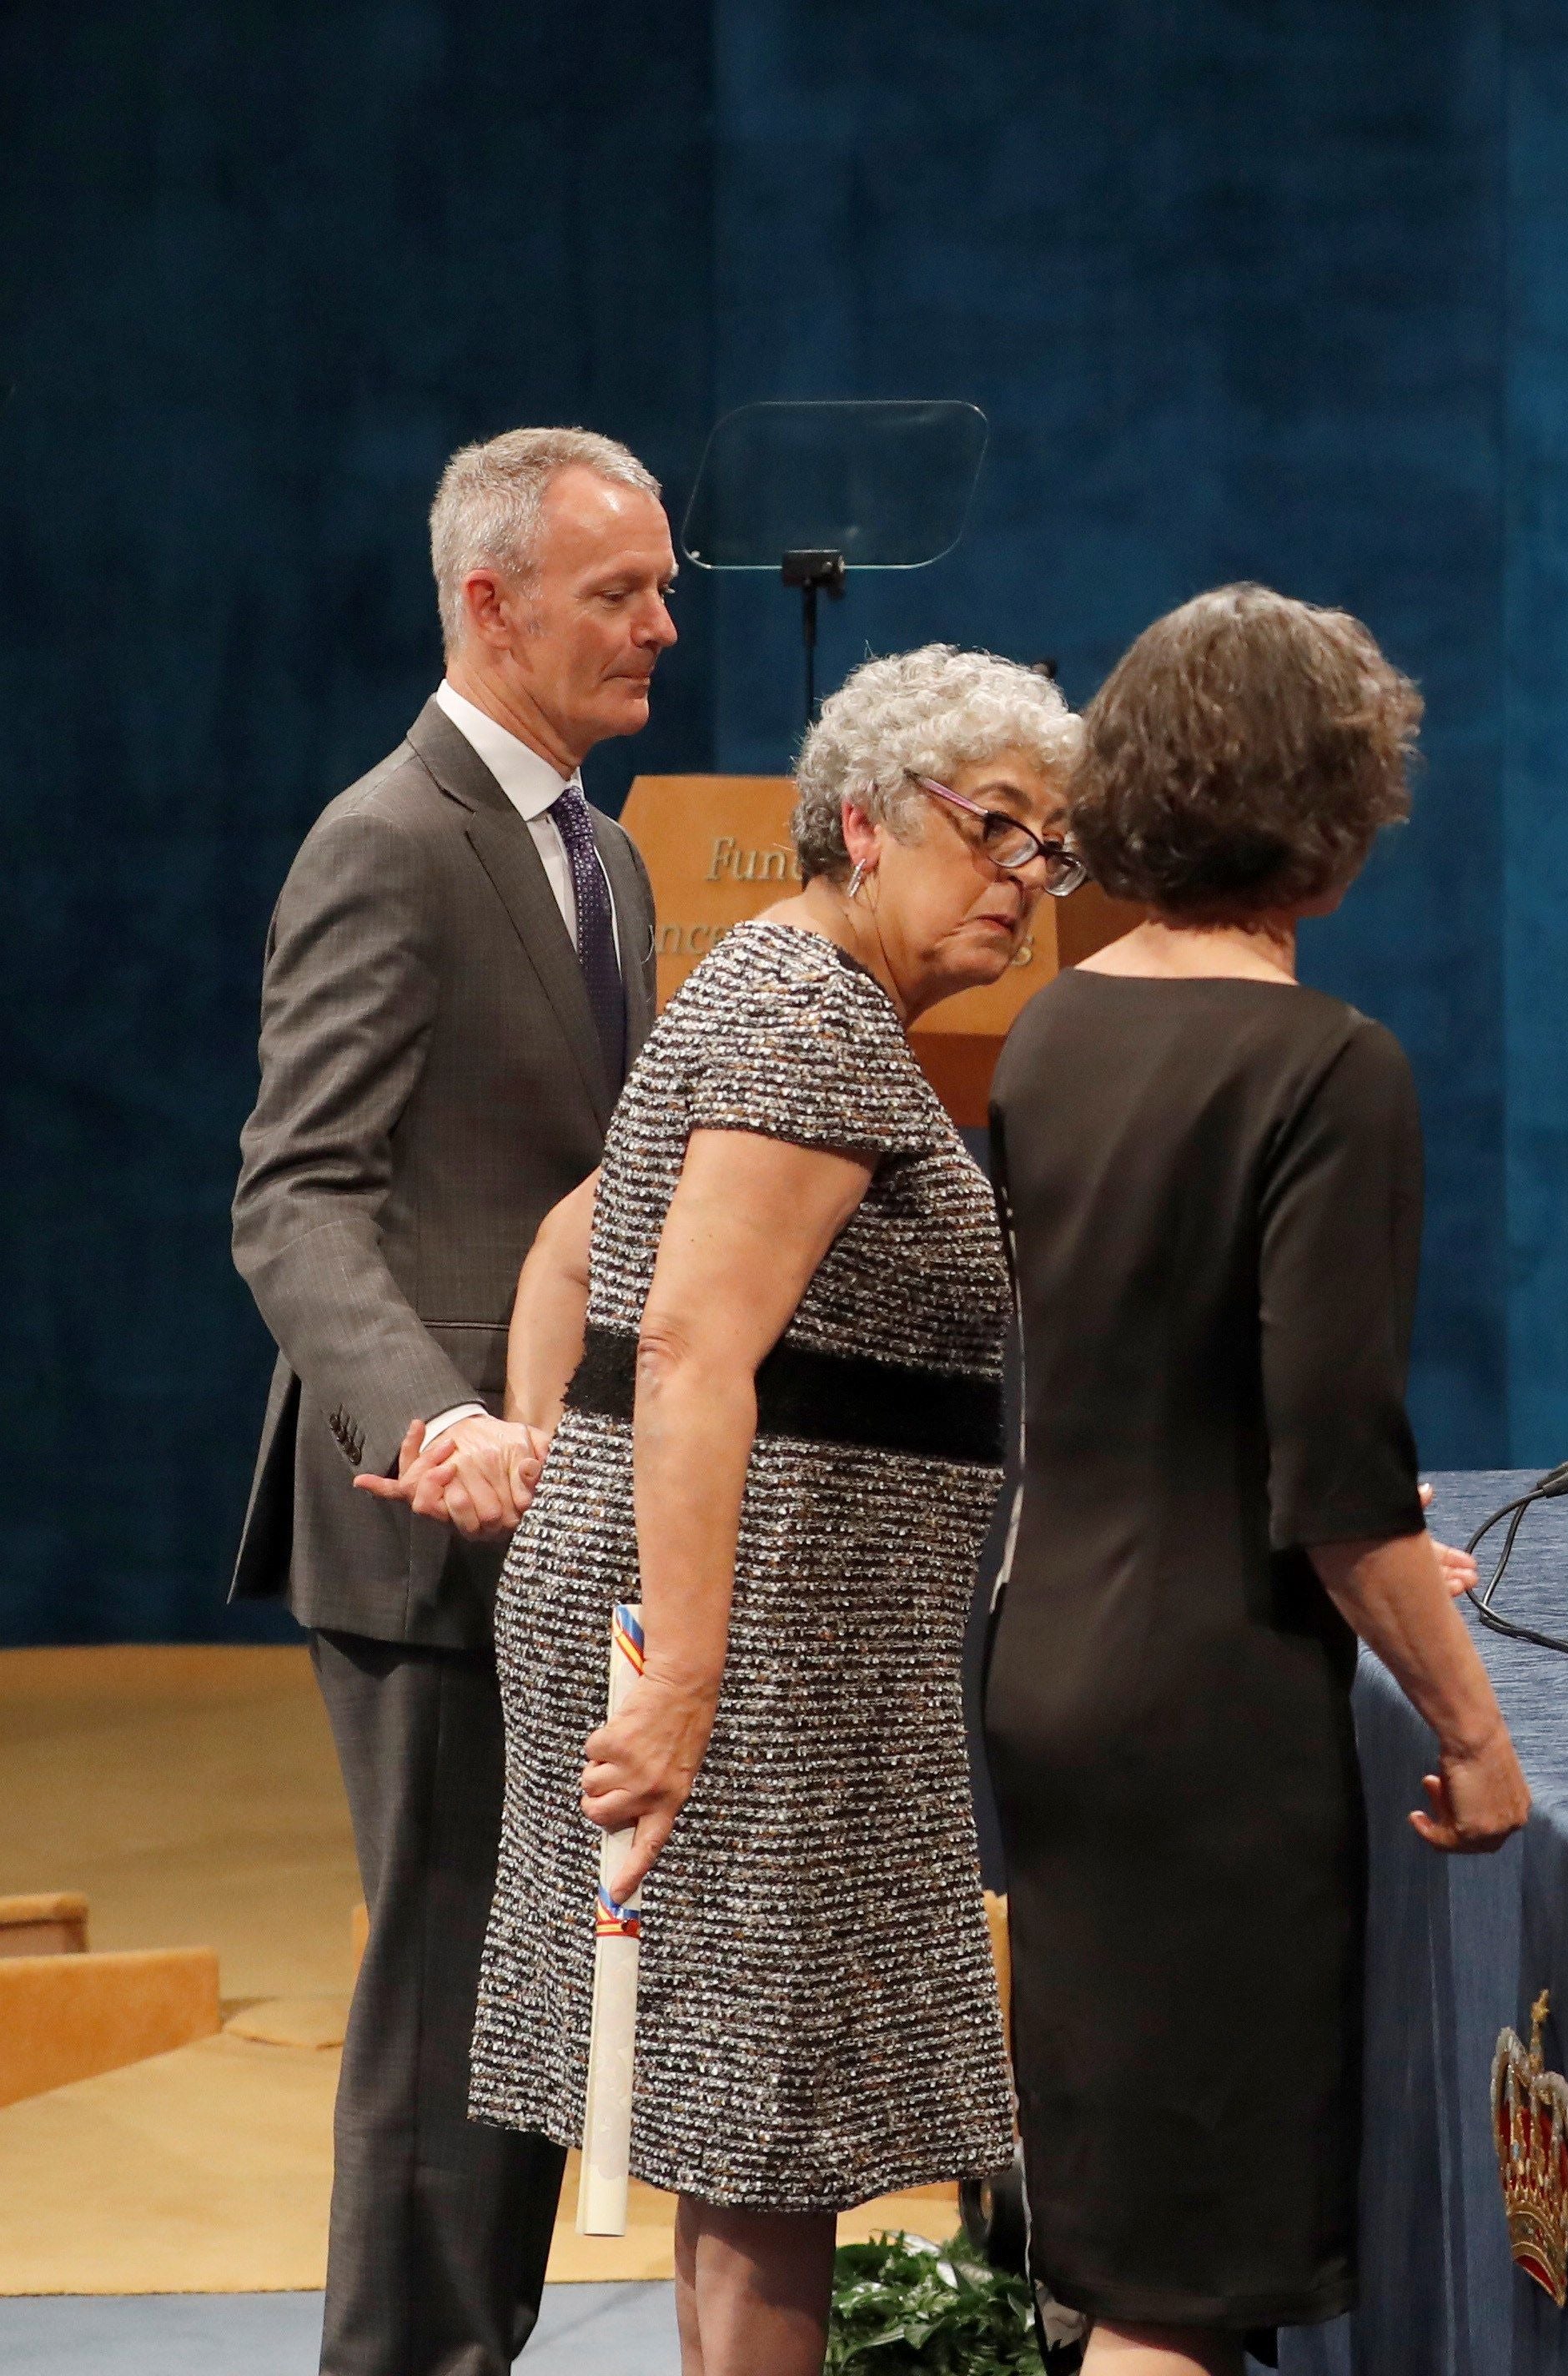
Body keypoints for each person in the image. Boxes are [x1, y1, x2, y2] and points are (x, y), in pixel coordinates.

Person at [460, 646, 1084, 2376]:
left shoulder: (779, 995)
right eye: (1000, 832)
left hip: (767, 1636)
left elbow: (577, 1245)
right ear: (868, 825)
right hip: (749, 1654)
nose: (1032, 884)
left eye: (1057, 847)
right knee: (754, 2138)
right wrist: (673, 1674)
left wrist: (547, 1469)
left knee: (756, 2138)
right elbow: (679, 1338)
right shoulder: (807, 1013)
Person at [982, 585, 1530, 2376]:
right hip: (1207, 1712)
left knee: (1129, 2244)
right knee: (1181, 2290)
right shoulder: (1328, 1066)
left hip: (1051, 1661)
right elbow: (1337, 1476)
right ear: (1337, 801)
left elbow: (1154, 1387)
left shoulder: (1055, 1030)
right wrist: (1473, 1726)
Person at [230, 426, 671, 2376]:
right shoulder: (386, 837)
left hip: (568, 1516)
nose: (662, 623)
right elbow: (294, 1190)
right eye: (617, 592)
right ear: (485, 602)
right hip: (431, 1531)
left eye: (663, 585)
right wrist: (435, 1422)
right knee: (441, 2023)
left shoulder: (612, 849)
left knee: (526, 2015)